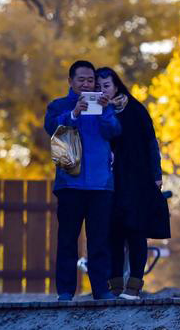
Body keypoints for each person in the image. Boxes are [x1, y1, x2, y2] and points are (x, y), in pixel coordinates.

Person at [44, 59, 122, 301]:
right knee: (67, 239)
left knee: (99, 241)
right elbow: (51, 128)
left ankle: (101, 290)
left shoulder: (103, 106)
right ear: (71, 81)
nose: (87, 84)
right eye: (82, 80)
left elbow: (114, 132)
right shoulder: (59, 106)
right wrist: (74, 113)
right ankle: (66, 292)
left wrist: (104, 112)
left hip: (101, 184)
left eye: (91, 80)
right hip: (70, 183)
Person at [96, 66, 169, 300]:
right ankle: (115, 285)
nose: (102, 90)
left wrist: (156, 173)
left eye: (106, 85)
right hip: (108, 180)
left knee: (136, 231)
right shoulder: (94, 111)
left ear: (116, 85)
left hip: (137, 179)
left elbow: (150, 142)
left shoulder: (136, 109)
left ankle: (134, 286)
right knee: (113, 233)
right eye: (98, 87)